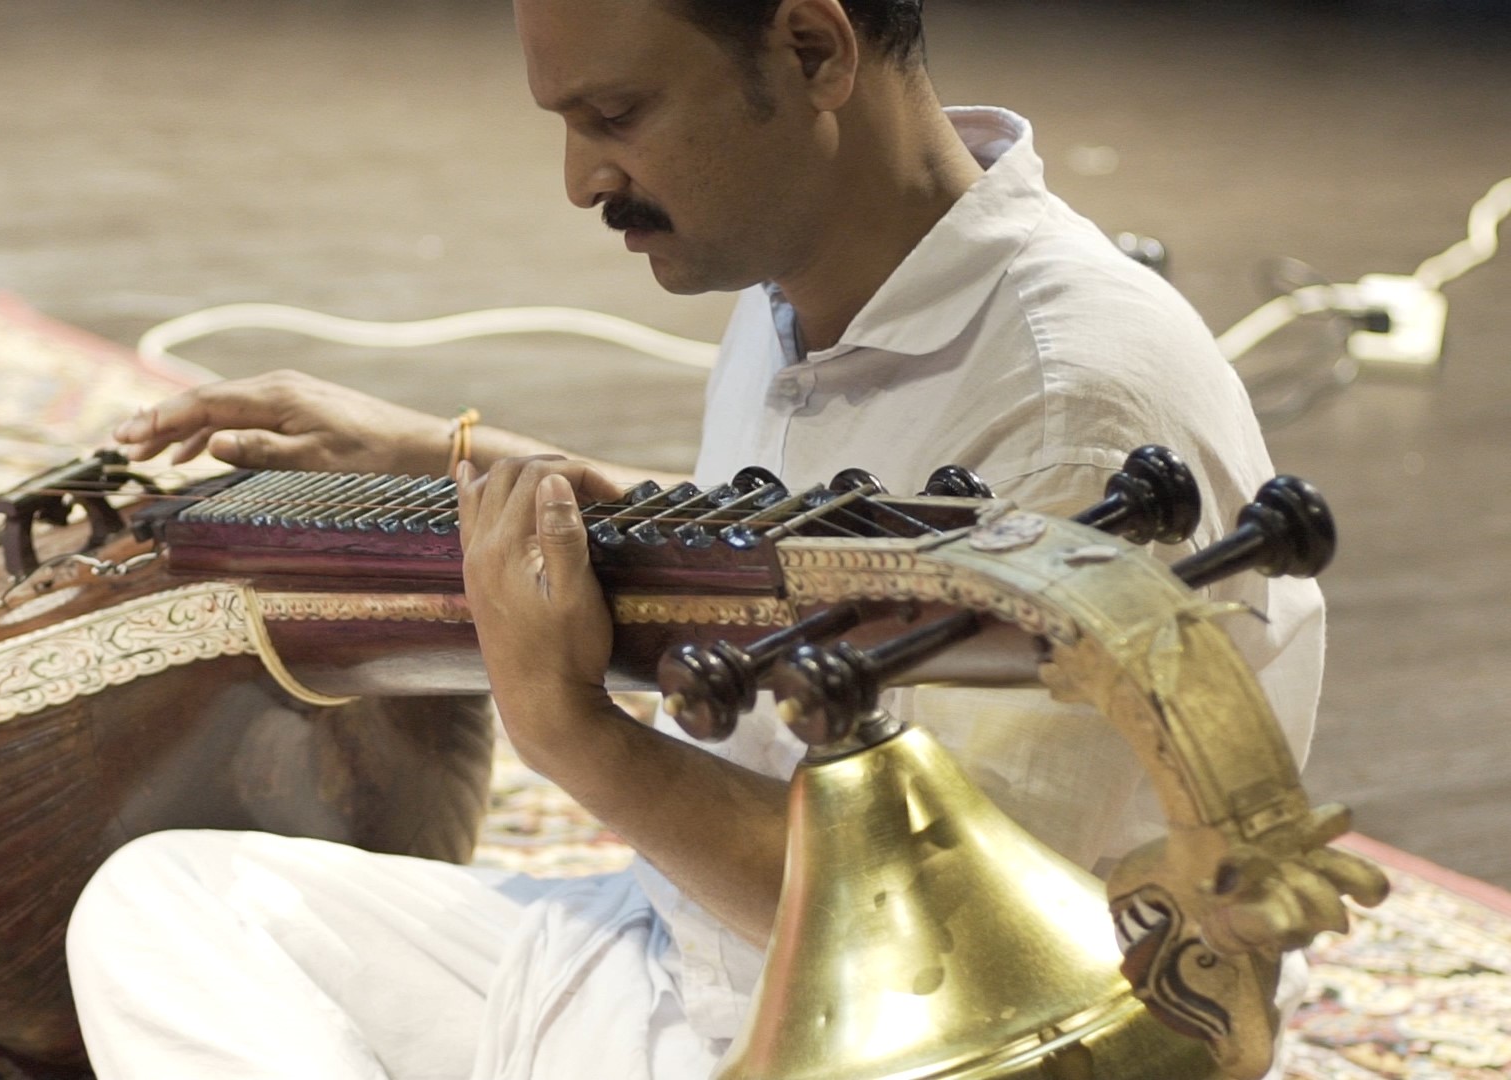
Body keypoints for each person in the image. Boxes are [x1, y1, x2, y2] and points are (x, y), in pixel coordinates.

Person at [65, 2, 1325, 1078]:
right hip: (678, 951)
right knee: (166, 907)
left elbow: (943, 937)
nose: (579, 181)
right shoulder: (804, 275)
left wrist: (572, 735)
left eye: (614, 117)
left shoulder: (1073, 408)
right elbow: (803, 543)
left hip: (887, 1035)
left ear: (811, 48)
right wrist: (450, 458)